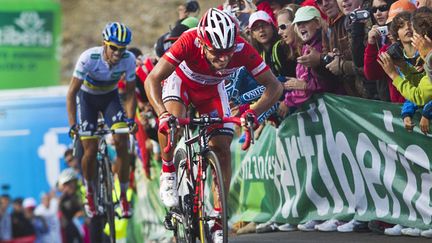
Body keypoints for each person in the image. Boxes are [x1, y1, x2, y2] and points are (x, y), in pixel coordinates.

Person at [144, 8, 282, 242]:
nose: (223, 59)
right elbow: (153, 79)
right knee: (172, 123)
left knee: (222, 149)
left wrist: (253, 113)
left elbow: (275, 87)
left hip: (212, 91)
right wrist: (162, 113)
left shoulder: (240, 48)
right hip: (182, 84)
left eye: (228, 53)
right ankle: (168, 172)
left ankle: (219, 219)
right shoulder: (188, 41)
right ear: (202, 41)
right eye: (216, 52)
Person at [66, 22, 137, 219]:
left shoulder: (129, 59)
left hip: (110, 99)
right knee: (89, 148)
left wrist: (130, 120)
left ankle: (123, 196)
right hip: (87, 99)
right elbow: (71, 94)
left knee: (122, 143)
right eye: (113, 47)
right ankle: (90, 192)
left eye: (122, 49)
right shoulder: (89, 58)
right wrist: (73, 125)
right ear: (104, 44)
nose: (117, 53)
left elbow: (130, 94)